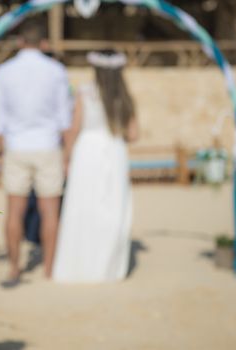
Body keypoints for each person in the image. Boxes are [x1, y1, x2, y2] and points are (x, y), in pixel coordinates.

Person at [0, 20, 72, 283]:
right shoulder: (57, 71)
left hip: (16, 146)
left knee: (14, 211)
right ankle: (49, 268)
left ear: (20, 42)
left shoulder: (3, 71)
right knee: (50, 211)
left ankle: (15, 267)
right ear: (45, 44)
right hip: (48, 145)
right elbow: (65, 119)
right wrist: (68, 154)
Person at [52, 51, 139, 283]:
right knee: (113, 208)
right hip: (115, 150)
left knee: (83, 207)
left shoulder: (85, 92)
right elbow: (134, 134)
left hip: (87, 153)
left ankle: (81, 267)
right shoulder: (125, 96)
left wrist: (67, 158)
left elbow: (74, 129)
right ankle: (108, 269)